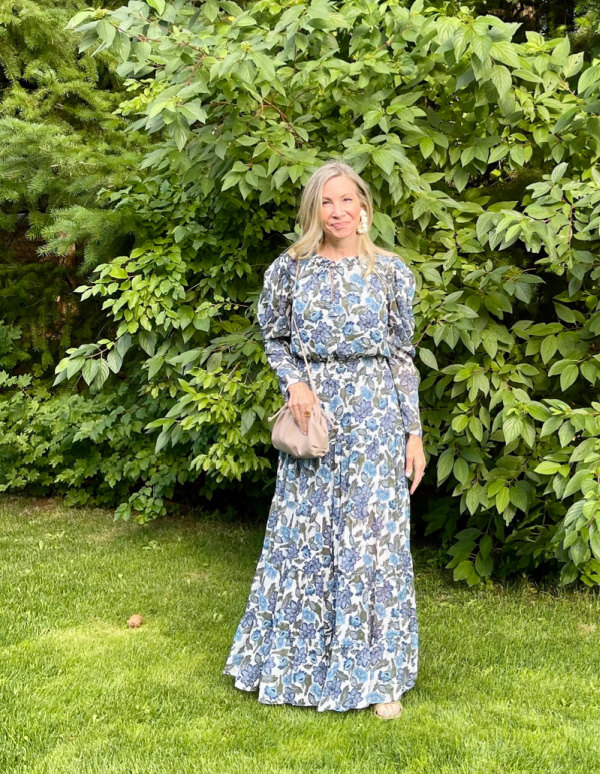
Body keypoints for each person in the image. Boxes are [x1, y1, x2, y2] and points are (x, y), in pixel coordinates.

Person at [223, 160, 426, 718]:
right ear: (314, 211)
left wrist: (413, 433)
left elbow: (402, 357)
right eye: (326, 203)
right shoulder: (290, 270)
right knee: (306, 536)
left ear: (364, 208)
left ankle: (379, 676)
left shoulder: (391, 273)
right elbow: (275, 336)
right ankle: (296, 663)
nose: (337, 212)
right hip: (318, 419)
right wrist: (295, 383)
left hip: (376, 418)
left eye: (346, 201)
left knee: (373, 544)